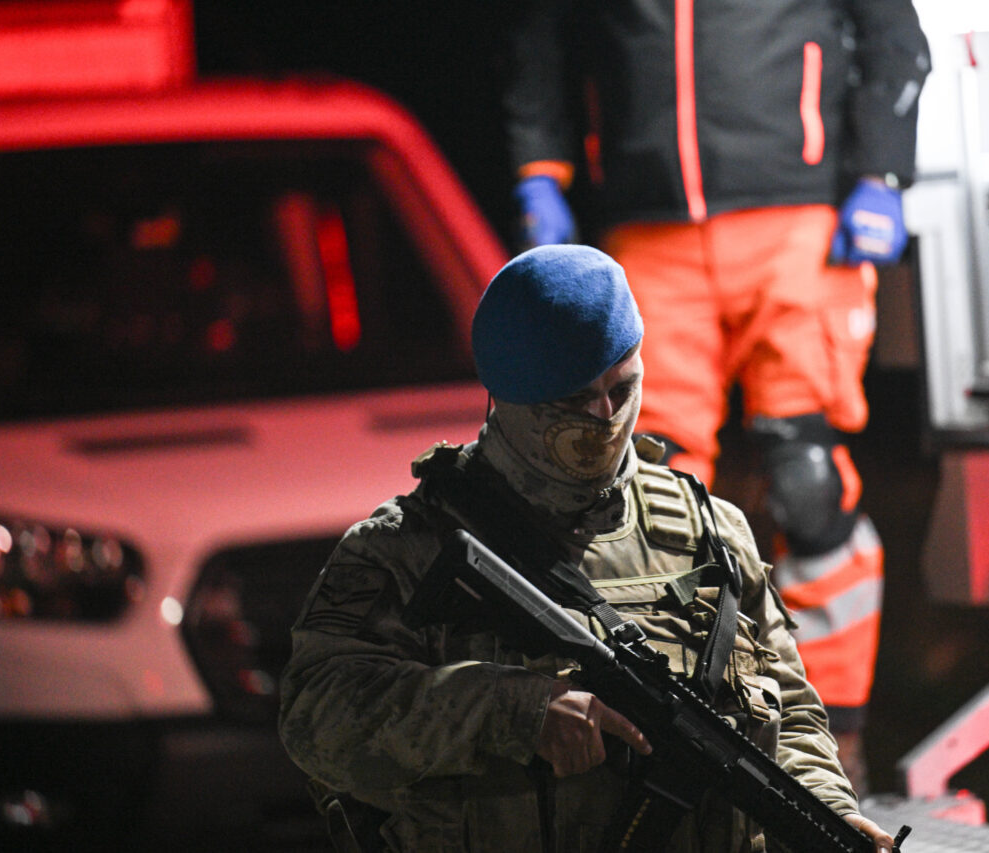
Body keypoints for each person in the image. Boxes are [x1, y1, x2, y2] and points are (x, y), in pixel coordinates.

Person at [278, 244, 902, 852]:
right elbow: (315, 717)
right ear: (509, 394)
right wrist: (513, 711)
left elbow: (788, 716)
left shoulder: (711, 534)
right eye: (575, 399)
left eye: (622, 387)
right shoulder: (407, 547)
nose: (604, 414)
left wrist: (833, 815)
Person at [502, 0, 930, 792]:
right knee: (645, 497)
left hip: (796, 220)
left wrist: (882, 172)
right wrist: (539, 168)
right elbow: (542, 37)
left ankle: (832, 741)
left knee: (808, 482)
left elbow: (893, 32)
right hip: (647, 225)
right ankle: (671, 736)